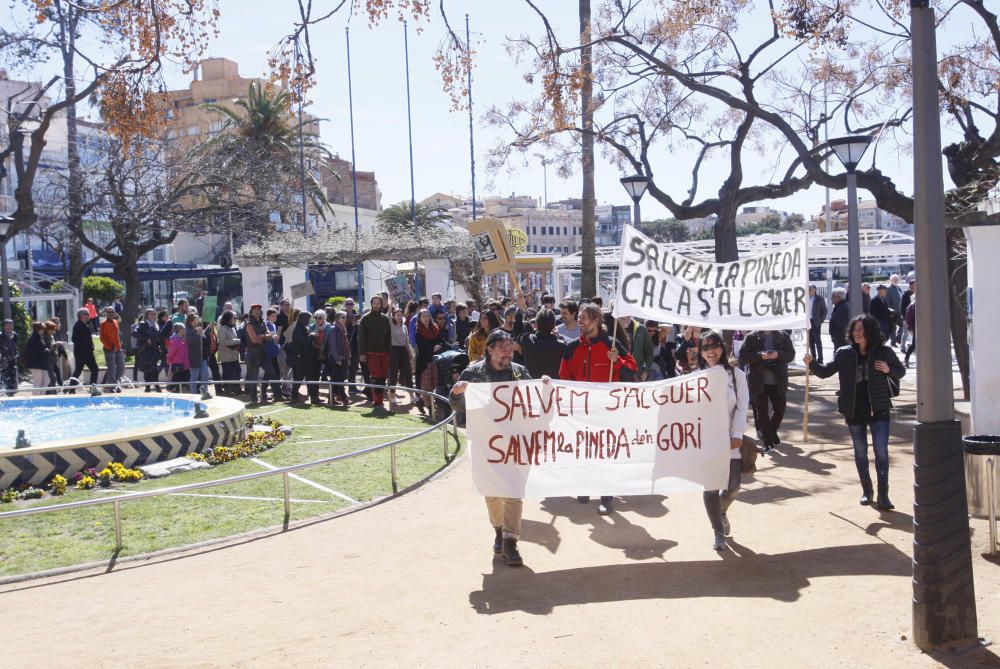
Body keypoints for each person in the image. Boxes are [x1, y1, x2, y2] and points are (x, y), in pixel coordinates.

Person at [450, 329, 532, 567]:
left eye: (511, 348)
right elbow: (458, 405)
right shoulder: (473, 374)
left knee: (515, 490)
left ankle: (510, 540)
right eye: (504, 348)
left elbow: (535, 399)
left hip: (515, 441)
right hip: (487, 445)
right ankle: (498, 529)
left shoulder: (520, 372)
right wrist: (456, 394)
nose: (509, 352)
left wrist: (544, 387)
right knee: (493, 491)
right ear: (490, 349)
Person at [805, 314, 905, 510]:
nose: (857, 333)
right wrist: (812, 363)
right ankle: (867, 491)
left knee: (881, 451)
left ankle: (884, 494)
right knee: (860, 452)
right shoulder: (844, 353)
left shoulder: (883, 351)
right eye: (854, 329)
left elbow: (899, 371)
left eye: (861, 329)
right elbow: (826, 372)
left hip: (879, 407)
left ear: (870, 331)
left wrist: (887, 369)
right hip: (853, 408)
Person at [560, 303, 637, 515]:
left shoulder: (612, 344)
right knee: (582, 449)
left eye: (584, 318)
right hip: (581, 411)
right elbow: (564, 376)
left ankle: (605, 496)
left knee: (605, 452)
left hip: (607, 412)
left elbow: (633, 369)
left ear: (596, 321)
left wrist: (618, 361)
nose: (580, 322)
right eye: (580, 318)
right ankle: (584, 486)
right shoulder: (572, 347)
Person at [698, 330, 750, 551]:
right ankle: (718, 530)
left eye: (714, 346)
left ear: (723, 347)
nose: (711, 351)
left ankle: (720, 512)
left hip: (730, 440)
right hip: (705, 441)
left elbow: (742, 406)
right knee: (710, 487)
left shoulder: (736, 375)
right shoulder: (695, 377)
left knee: (733, 486)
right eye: (705, 347)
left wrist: (737, 434)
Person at [738, 328, 794, 453]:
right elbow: (742, 356)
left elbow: (791, 355)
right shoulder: (751, 337)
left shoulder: (783, 336)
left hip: (778, 380)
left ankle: (771, 432)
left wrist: (777, 354)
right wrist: (759, 356)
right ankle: (768, 442)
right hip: (758, 381)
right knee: (761, 413)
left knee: (780, 409)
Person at [358, 296, 392, 409]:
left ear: (381, 304)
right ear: (371, 304)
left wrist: (389, 352)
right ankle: (376, 400)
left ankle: (380, 400)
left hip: (384, 352)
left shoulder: (385, 319)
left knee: (382, 377)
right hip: (371, 352)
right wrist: (362, 354)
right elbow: (361, 338)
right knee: (376, 376)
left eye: (378, 303)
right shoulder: (365, 318)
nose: (376, 305)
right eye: (374, 303)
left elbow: (388, 337)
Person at [519, 308, 565, 379]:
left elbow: (518, 324)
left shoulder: (527, 340)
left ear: (536, 324)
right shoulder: (562, 346)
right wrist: (559, 336)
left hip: (532, 386)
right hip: (555, 387)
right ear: (554, 325)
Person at [414, 309, 441, 414]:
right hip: (424, 363)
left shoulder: (435, 329)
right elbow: (422, 347)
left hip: (434, 360)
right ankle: (430, 408)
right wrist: (433, 348)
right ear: (420, 319)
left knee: (434, 383)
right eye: (423, 316)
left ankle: (421, 402)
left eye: (427, 316)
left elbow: (440, 341)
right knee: (426, 385)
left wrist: (439, 346)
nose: (426, 318)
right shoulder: (418, 332)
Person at [243, 304, 271, 403]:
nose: (257, 311)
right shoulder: (249, 324)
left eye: (259, 310)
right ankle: (253, 397)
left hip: (262, 353)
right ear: (251, 311)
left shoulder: (262, 322)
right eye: (255, 310)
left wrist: (261, 337)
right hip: (252, 354)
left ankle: (263, 392)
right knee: (253, 377)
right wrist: (264, 337)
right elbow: (255, 340)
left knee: (271, 372)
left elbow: (269, 336)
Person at [613, 314, 653, 382]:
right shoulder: (612, 327)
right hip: (616, 375)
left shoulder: (641, 329)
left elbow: (648, 352)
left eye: (626, 312)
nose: (624, 316)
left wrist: (646, 370)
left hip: (636, 375)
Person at [288, 311, 317, 403]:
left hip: (306, 358)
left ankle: (313, 397)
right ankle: (294, 396)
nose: (309, 321)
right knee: (298, 378)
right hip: (299, 358)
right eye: (308, 319)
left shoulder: (303, 328)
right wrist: (311, 336)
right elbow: (304, 342)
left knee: (310, 378)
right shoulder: (298, 329)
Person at [387, 307, 414, 400]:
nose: (399, 317)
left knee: (408, 373)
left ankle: (412, 396)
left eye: (400, 315)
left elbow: (406, 341)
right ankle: (392, 396)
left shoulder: (404, 327)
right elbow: (388, 316)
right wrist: (391, 305)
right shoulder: (391, 325)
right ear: (393, 316)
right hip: (393, 350)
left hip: (403, 351)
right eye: (397, 315)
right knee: (393, 374)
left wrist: (410, 352)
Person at [327, 310, 351, 406]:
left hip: (343, 358)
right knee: (338, 379)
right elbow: (333, 345)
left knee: (337, 379)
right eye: (343, 317)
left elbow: (346, 344)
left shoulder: (343, 328)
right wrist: (337, 359)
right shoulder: (334, 329)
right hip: (335, 359)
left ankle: (333, 398)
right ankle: (343, 398)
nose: (345, 319)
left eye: (345, 317)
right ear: (337, 319)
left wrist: (348, 357)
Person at [99, 306, 125, 391]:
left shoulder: (115, 321)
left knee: (121, 367)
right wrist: (110, 347)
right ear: (106, 313)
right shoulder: (103, 323)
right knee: (112, 369)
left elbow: (117, 336)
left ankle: (116, 383)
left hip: (118, 348)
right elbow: (102, 338)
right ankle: (112, 387)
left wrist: (120, 346)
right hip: (109, 349)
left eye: (112, 312)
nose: (110, 314)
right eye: (109, 312)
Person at [71, 307, 99, 386]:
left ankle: (93, 387)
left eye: (88, 314)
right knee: (78, 371)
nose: (87, 315)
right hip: (81, 353)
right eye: (85, 314)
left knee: (95, 369)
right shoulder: (77, 326)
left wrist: (91, 345)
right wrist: (84, 347)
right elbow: (74, 339)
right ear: (80, 316)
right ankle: (71, 389)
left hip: (89, 352)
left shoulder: (87, 325)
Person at [135, 309, 161, 392]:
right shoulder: (143, 324)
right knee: (147, 370)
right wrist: (146, 339)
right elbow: (135, 333)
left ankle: (156, 386)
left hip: (153, 350)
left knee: (155, 370)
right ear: (147, 315)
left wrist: (158, 345)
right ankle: (148, 387)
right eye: (151, 314)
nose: (153, 316)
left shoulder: (155, 325)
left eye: (154, 314)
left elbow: (157, 337)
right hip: (145, 350)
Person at [186, 314, 209, 394]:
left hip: (203, 357)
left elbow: (205, 341)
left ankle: (205, 393)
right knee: (194, 377)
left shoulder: (198, 329)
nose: (195, 322)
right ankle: (194, 394)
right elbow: (192, 342)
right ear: (189, 322)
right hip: (194, 358)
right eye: (193, 321)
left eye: (196, 320)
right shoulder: (188, 331)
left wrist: (202, 334)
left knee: (205, 376)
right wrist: (199, 334)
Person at [24, 322, 50, 394]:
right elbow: (38, 351)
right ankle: (35, 398)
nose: (43, 331)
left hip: (41, 364)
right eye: (42, 329)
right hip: (35, 364)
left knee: (46, 380)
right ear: (37, 329)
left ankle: (41, 396)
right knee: (38, 381)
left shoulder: (39, 338)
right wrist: (48, 350)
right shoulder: (34, 339)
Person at [166, 322, 190, 392]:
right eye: (184, 328)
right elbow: (171, 352)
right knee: (178, 386)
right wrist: (169, 360)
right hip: (178, 366)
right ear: (180, 329)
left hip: (185, 366)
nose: (185, 330)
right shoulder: (175, 339)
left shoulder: (182, 339)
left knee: (184, 385)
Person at [808, 285, 828, 364]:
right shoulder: (805, 298)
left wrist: (820, 320)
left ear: (815, 290)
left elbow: (825, 311)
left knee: (817, 341)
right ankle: (813, 358)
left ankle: (820, 359)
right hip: (808, 322)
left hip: (816, 322)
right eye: (808, 289)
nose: (809, 290)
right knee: (810, 341)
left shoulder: (819, 299)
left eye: (810, 289)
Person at [1, 319, 19, 395]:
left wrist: (17, 355)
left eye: (11, 325)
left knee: (13, 377)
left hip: (12, 360)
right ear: (4, 326)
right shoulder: (1, 335)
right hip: (3, 360)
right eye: (8, 325)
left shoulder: (15, 335)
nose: (10, 327)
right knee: (4, 377)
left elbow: (16, 347)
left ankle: (12, 394)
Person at [886, 274, 903, 345]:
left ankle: (898, 339)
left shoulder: (898, 288)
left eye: (897, 279)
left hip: (900, 311)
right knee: (893, 327)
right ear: (891, 280)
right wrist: (890, 311)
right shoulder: (888, 289)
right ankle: (893, 342)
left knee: (902, 326)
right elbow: (887, 301)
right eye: (894, 279)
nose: (896, 281)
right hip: (892, 311)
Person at [899, 278, 915, 353]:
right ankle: (902, 347)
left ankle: (914, 346)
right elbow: (902, 307)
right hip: (907, 317)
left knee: (914, 333)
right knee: (905, 333)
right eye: (914, 285)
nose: (915, 286)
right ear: (910, 285)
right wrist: (904, 317)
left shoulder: (918, 293)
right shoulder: (905, 294)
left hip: (914, 317)